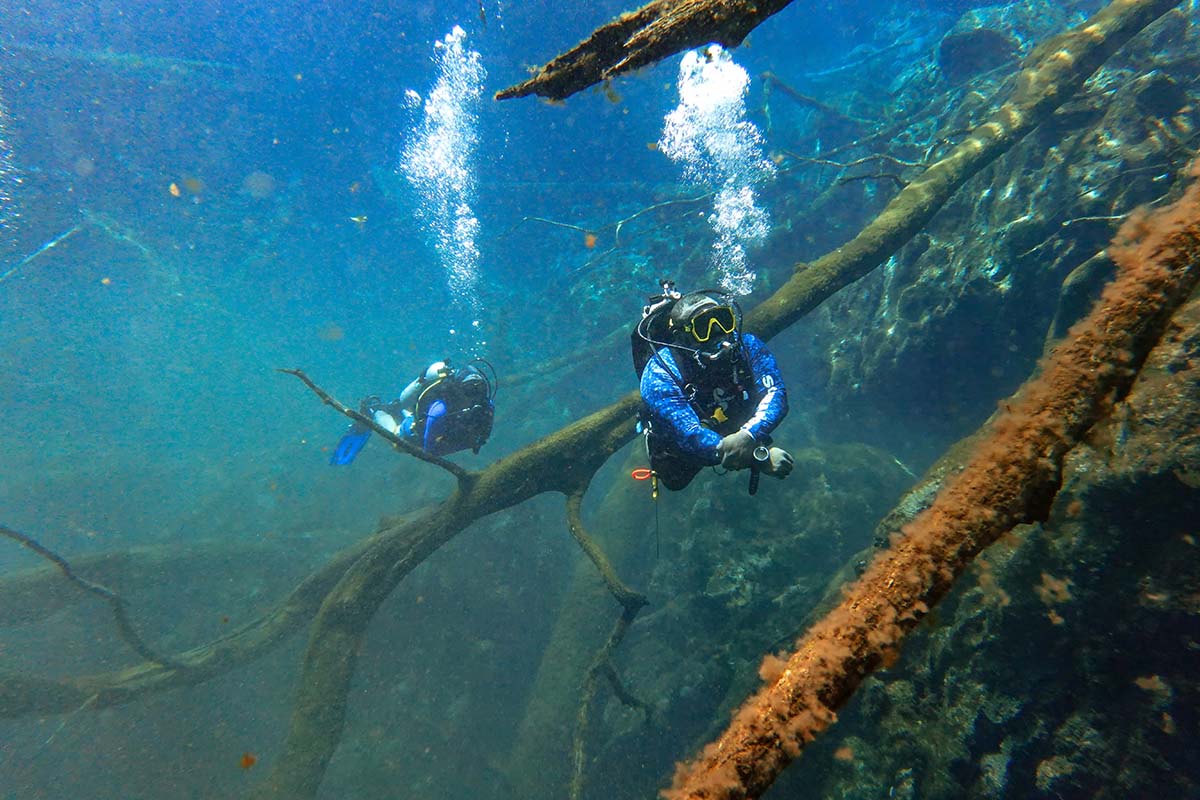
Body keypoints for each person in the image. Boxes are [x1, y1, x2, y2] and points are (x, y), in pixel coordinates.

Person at [633, 283, 794, 492]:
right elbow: (690, 435)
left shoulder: (747, 345)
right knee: (675, 480)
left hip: (732, 421)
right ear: (683, 336)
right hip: (683, 448)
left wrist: (748, 435)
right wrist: (758, 457)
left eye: (723, 320)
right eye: (703, 327)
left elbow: (776, 393)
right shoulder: (659, 375)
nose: (717, 332)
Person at [329, 358, 495, 465]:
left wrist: (473, 440)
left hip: (440, 421)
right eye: (469, 392)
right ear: (460, 390)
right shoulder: (440, 409)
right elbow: (429, 450)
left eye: (478, 391)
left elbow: (482, 435)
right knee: (399, 441)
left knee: (404, 416)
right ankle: (375, 409)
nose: (474, 397)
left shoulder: (483, 403)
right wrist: (460, 443)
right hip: (420, 419)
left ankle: (395, 409)